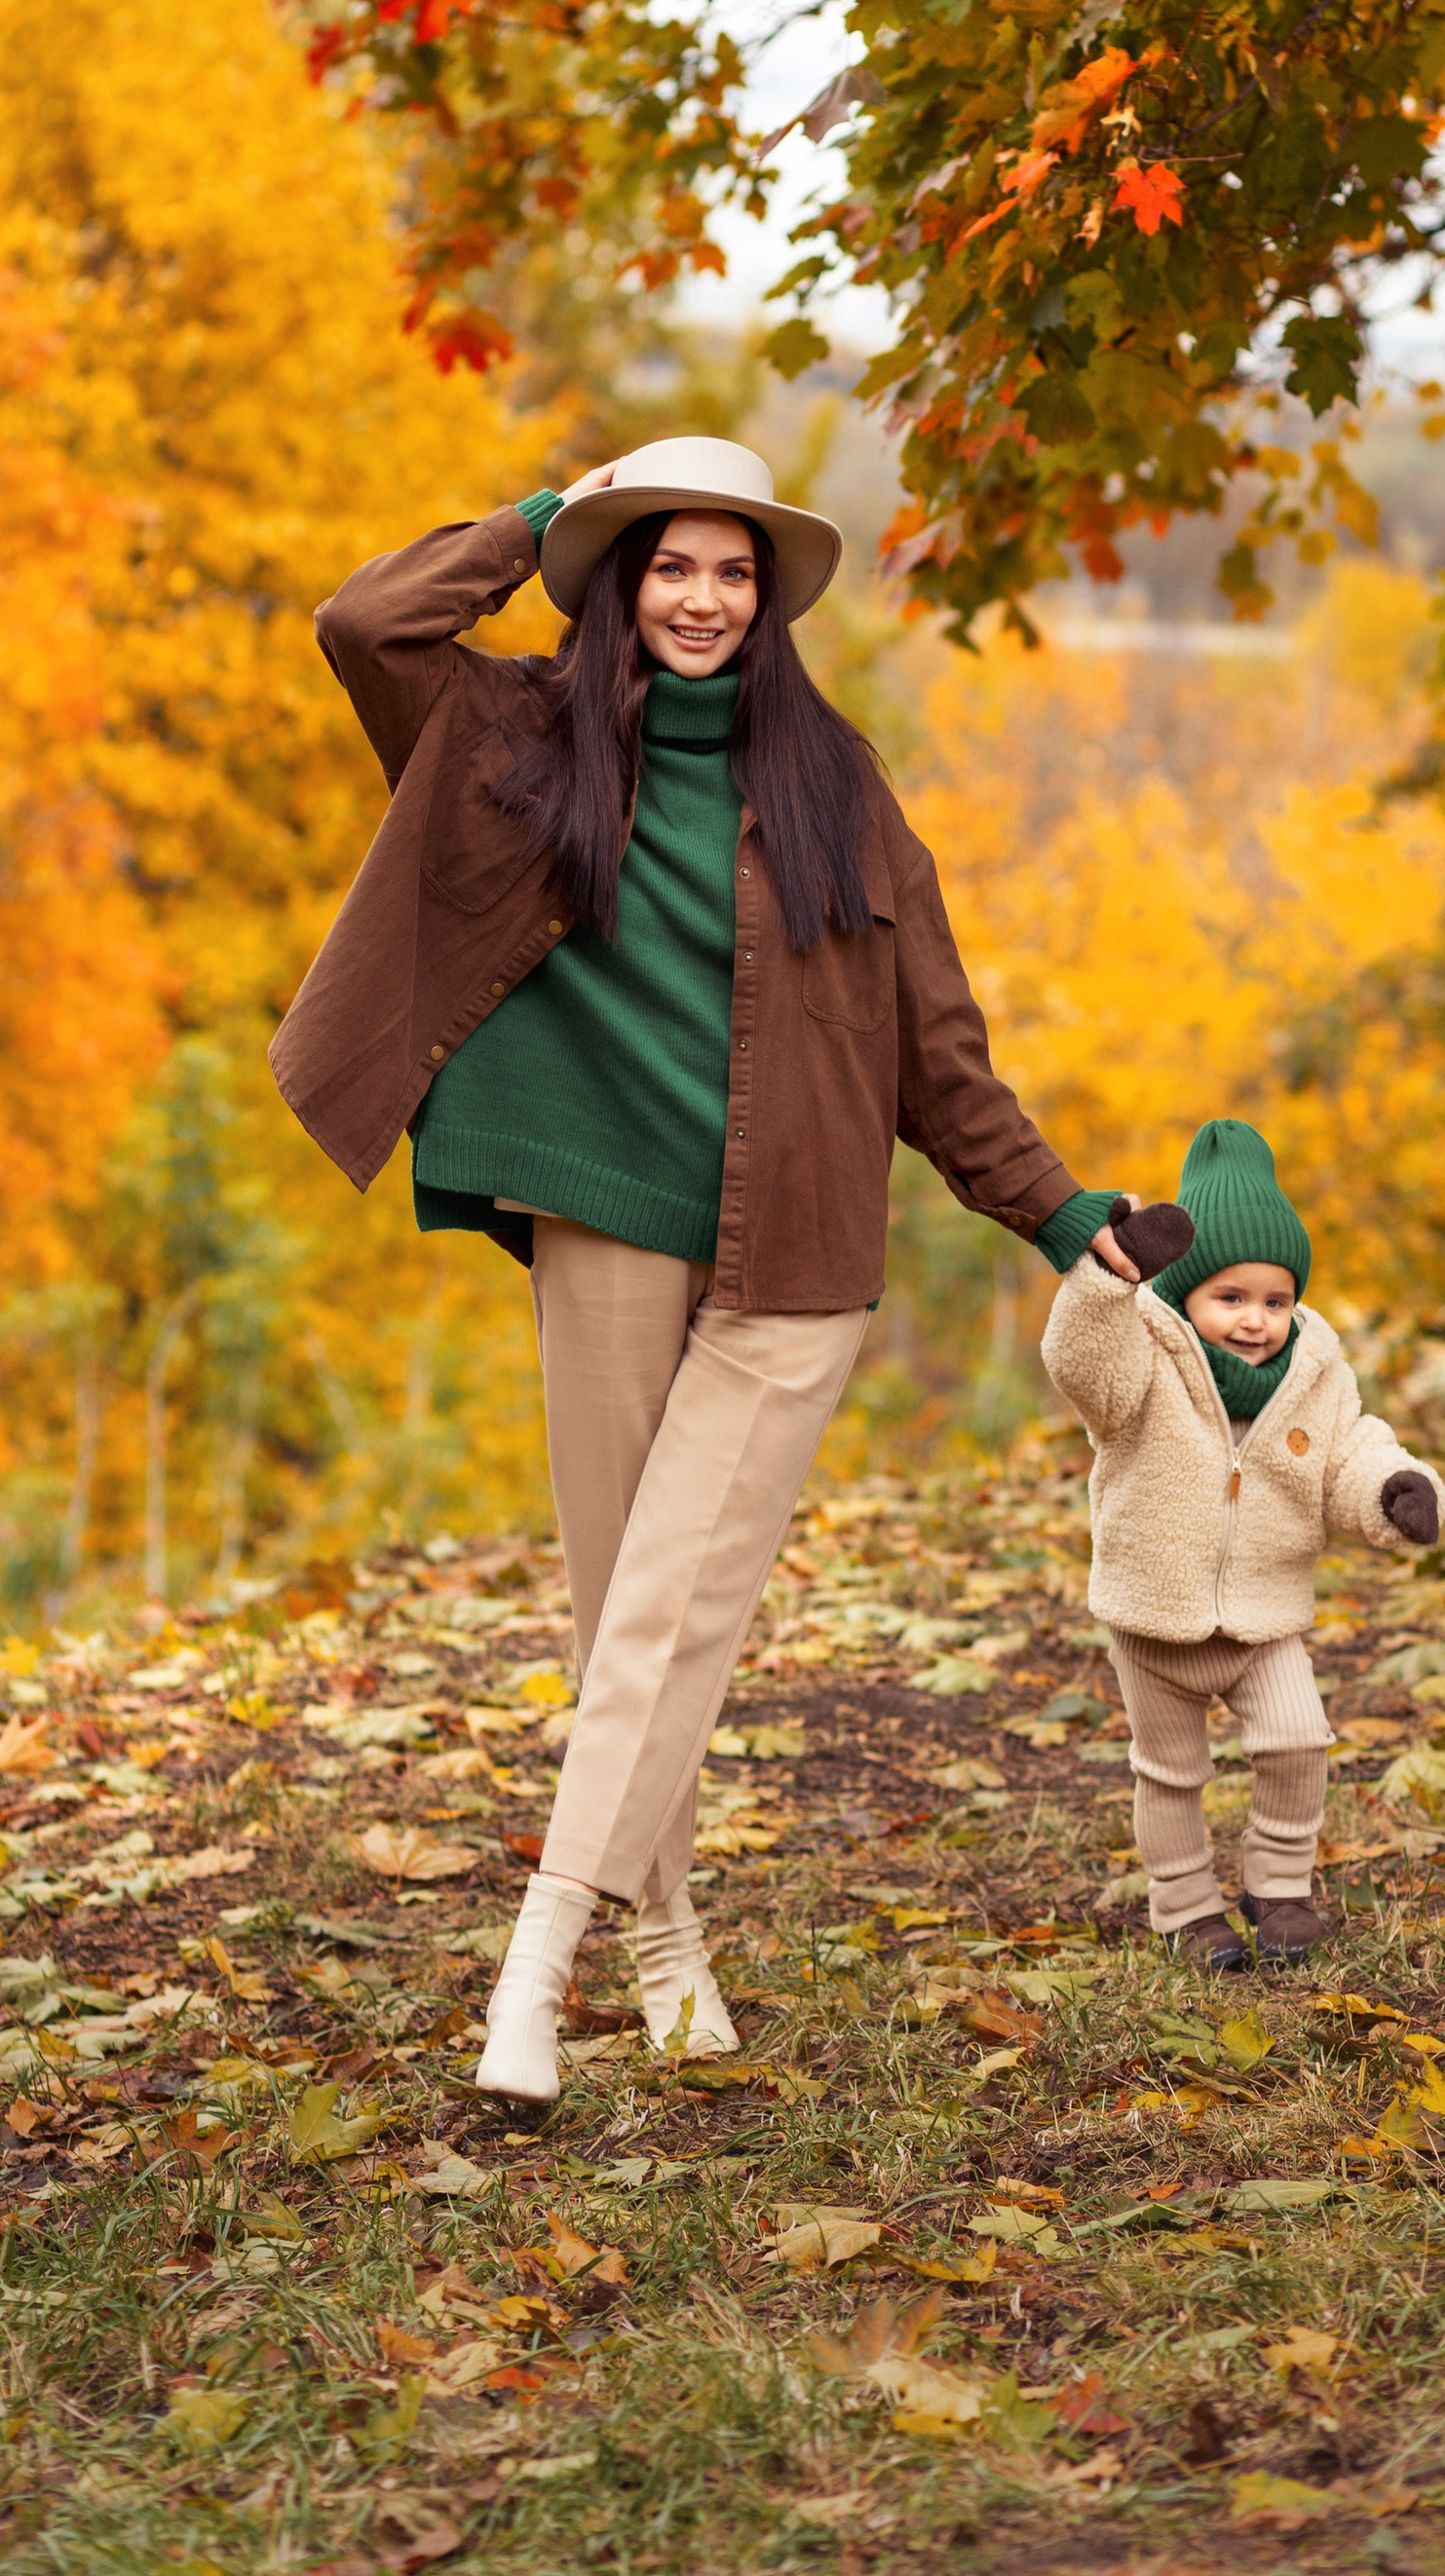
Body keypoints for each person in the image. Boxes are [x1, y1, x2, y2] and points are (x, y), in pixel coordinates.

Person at [269, 436, 1141, 2097]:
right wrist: (551, 511)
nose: (703, 598)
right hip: (604, 1209)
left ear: (767, 600)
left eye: (734, 572)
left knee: (678, 1603)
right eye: (669, 563)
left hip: (794, 1248)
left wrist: (1051, 1206)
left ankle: (536, 1966)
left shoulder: (836, 787)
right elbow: (364, 621)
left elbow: (934, 1051)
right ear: (620, 580)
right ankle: (665, 1937)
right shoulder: (507, 735)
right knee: (629, 1612)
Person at [1041, 1118, 1445, 1971]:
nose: (1256, 1320)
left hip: (1266, 1616)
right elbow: (1081, 1363)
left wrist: (1393, 1489)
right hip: (1154, 1618)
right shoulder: (1144, 1364)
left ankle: (1279, 1890)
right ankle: (1187, 1909)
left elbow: (1350, 1453)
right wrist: (1104, 1282)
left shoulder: (1314, 1376)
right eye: (1231, 1298)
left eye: (1275, 1300)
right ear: (1186, 1292)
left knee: (1300, 1741)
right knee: (1170, 1773)